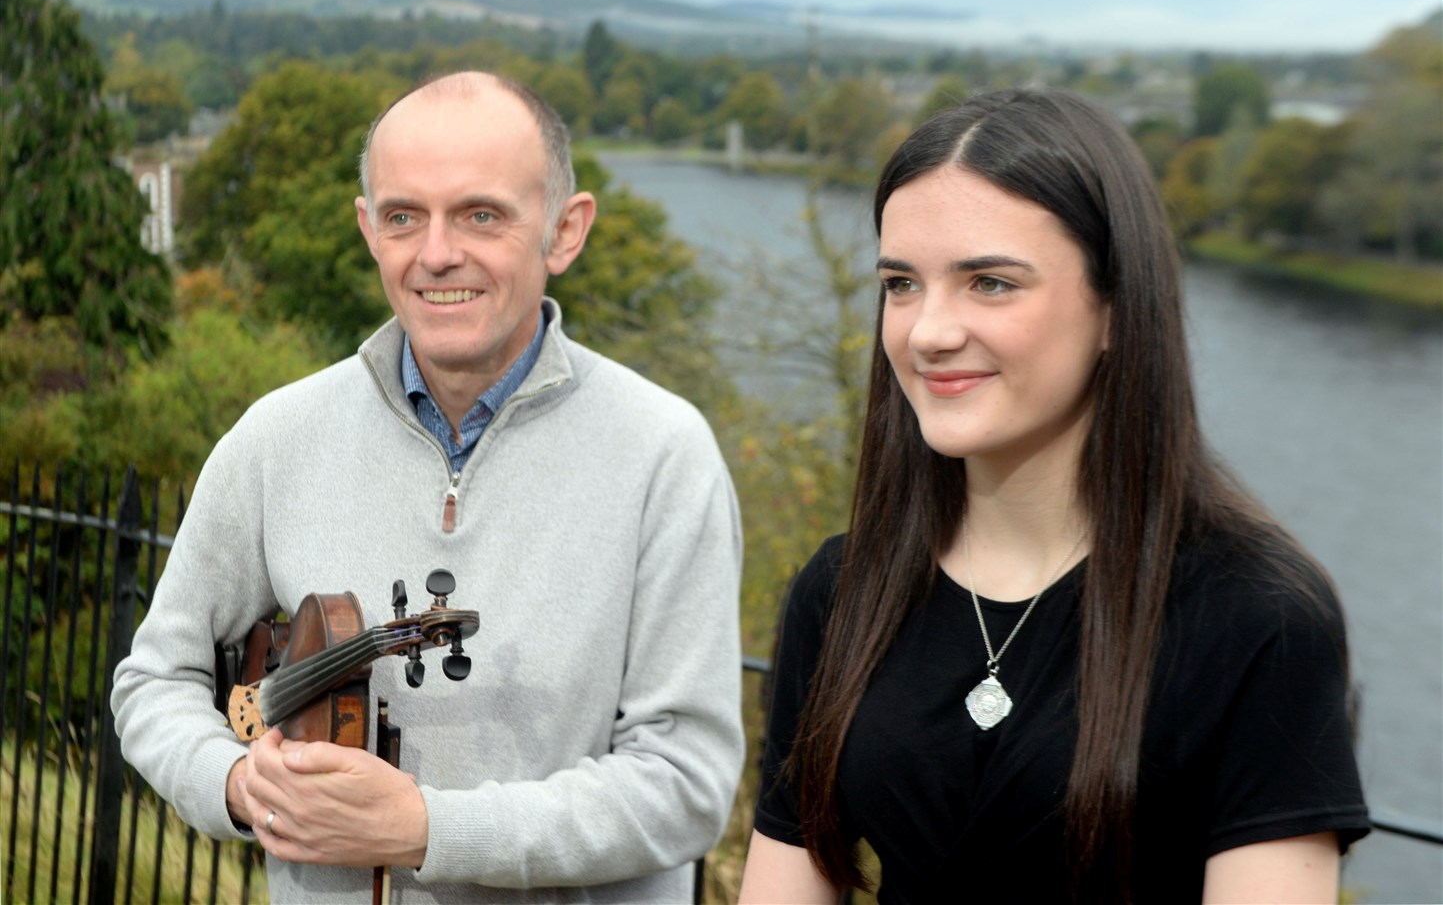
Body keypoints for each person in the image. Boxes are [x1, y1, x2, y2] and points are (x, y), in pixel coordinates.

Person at [112, 71, 745, 903]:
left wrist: (427, 829)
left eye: (481, 214)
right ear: (369, 229)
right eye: (405, 216)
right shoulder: (275, 437)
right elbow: (153, 682)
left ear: (564, 231)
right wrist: (237, 784)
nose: (437, 252)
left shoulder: (664, 455)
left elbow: (686, 785)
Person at [738, 88, 1369, 904]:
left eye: (990, 283)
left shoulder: (1255, 617)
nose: (927, 331)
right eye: (900, 284)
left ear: (1114, 308)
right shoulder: (843, 592)